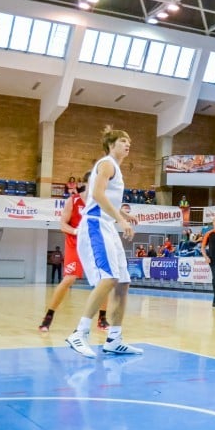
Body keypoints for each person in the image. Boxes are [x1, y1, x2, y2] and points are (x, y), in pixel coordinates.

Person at [65, 126, 142, 358]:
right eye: (122, 140)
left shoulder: (115, 167)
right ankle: (79, 333)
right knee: (108, 278)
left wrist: (122, 214)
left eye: (129, 141)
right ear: (111, 144)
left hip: (107, 225)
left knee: (123, 283)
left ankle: (114, 339)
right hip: (96, 224)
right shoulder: (107, 163)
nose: (127, 144)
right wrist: (121, 219)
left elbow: (107, 197)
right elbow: (96, 195)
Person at [39, 172, 108, 332]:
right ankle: (49, 316)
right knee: (69, 279)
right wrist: (78, 232)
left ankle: (102, 318)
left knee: (105, 279)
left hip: (93, 245)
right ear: (86, 183)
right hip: (75, 244)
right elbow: (63, 225)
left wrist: (124, 217)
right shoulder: (73, 201)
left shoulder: (100, 202)